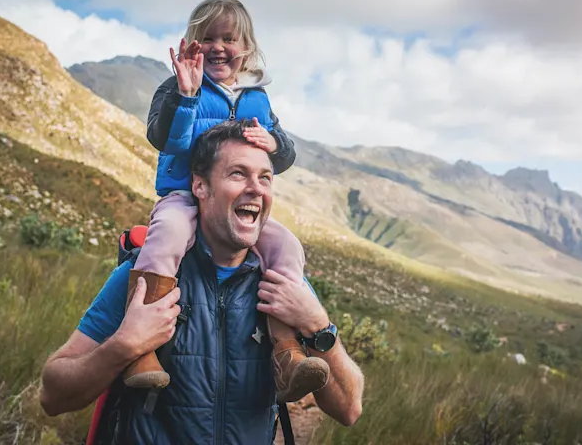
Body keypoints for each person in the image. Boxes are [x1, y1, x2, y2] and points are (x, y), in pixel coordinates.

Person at [39, 121, 364, 443]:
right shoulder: (144, 277)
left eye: (265, 177)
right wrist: (124, 346)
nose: (256, 188)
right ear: (200, 186)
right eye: (238, 173)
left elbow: (349, 410)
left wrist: (318, 326)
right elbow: (52, 396)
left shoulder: (284, 285)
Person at [124, 0, 326, 404]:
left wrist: (275, 143)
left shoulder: (258, 96)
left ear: (246, 48)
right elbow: (165, 140)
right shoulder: (176, 86)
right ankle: (140, 348)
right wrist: (186, 95)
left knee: (285, 245)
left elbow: (282, 154)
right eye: (207, 37)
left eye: (228, 38)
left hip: (236, 207)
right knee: (166, 235)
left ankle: (285, 351)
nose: (217, 47)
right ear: (191, 43)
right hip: (185, 194)